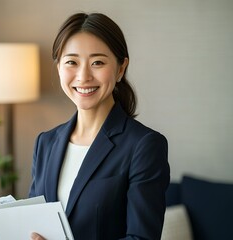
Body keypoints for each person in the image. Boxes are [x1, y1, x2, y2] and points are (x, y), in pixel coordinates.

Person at [29, 12, 170, 240]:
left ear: (121, 69)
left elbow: (141, 238)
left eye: (97, 62)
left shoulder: (144, 145)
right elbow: (35, 224)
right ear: (58, 67)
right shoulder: (45, 142)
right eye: (71, 62)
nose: (83, 76)